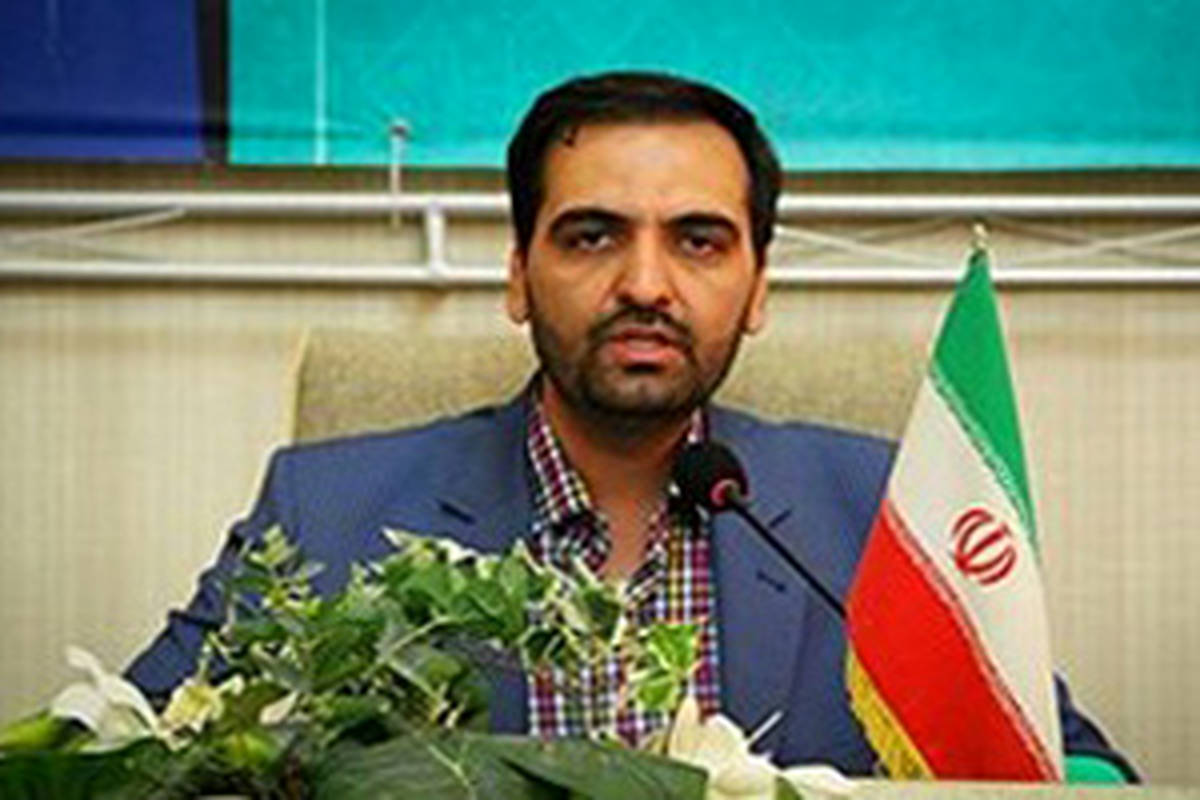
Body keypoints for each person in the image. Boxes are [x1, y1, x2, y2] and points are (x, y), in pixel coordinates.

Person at [126, 71, 1135, 780]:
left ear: (758, 287)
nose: (645, 283)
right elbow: (122, 754)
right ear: (518, 275)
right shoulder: (327, 507)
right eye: (591, 236)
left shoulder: (883, 510)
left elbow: (1065, 766)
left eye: (698, 241)